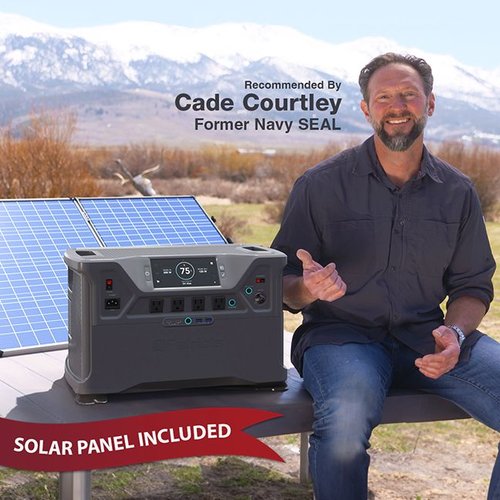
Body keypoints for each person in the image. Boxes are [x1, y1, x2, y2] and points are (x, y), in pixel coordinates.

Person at [271, 52, 500, 500]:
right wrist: (307, 288)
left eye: (409, 95)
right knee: (344, 423)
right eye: (384, 97)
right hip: (341, 338)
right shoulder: (319, 186)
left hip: (427, 335)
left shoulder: (457, 193)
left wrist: (455, 332)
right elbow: (282, 284)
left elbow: (472, 284)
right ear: (366, 109)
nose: (398, 106)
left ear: (430, 104)